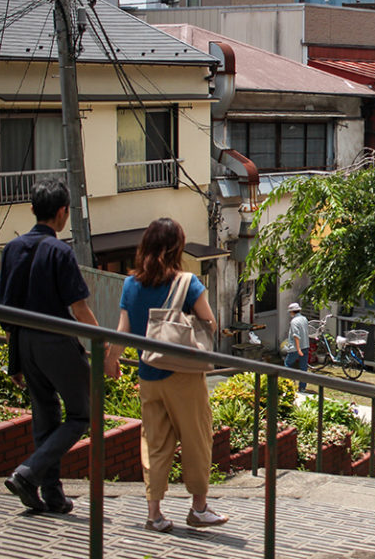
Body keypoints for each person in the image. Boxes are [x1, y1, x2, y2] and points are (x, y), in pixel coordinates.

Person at [105, 218, 228, 533]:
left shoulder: (130, 284)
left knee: (155, 443)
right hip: (183, 375)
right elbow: (210, 324)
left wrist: (112, 360)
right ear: (177, 248)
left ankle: (155, 514)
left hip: (148, 373)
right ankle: (198, 508)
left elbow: (123, 330)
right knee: (196, 438)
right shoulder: (188, 283)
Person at [0, 179, 99, 514]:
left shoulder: (12, 248)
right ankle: (28, 473)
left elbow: (6, 311)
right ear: (62, 212)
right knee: (82, 413)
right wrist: (104, 344)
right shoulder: (60, 251)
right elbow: (80, 309)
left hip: (24, 342)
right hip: (55, 340)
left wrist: (15, 361)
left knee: (45, 419)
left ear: (32, 210)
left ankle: (53, 496)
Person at [284, 302, 310, 392]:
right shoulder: (304, 319)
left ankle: (290, 384)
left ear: (292, 312)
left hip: (296, 348)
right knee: (303, 367)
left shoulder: (294, 321)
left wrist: (298, 349)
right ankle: (302, 387)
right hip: (306, 345)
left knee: (287, 364)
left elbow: (296, 335)